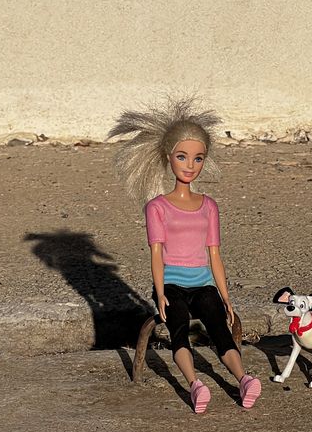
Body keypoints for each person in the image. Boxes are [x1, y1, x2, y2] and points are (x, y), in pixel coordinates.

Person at [109, 96, 261, 413]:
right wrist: (160, 291)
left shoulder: (208, 206)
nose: (190, 166)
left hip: (203, 282)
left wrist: (226, 297)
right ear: (169, 158)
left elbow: (214, 255)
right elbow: (156, 252)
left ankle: (244, 379)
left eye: (198, 159)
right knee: (178, 330)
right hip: (173, 284)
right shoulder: (157, 208)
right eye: (182, 157)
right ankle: (195, 384)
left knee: (219, 328)